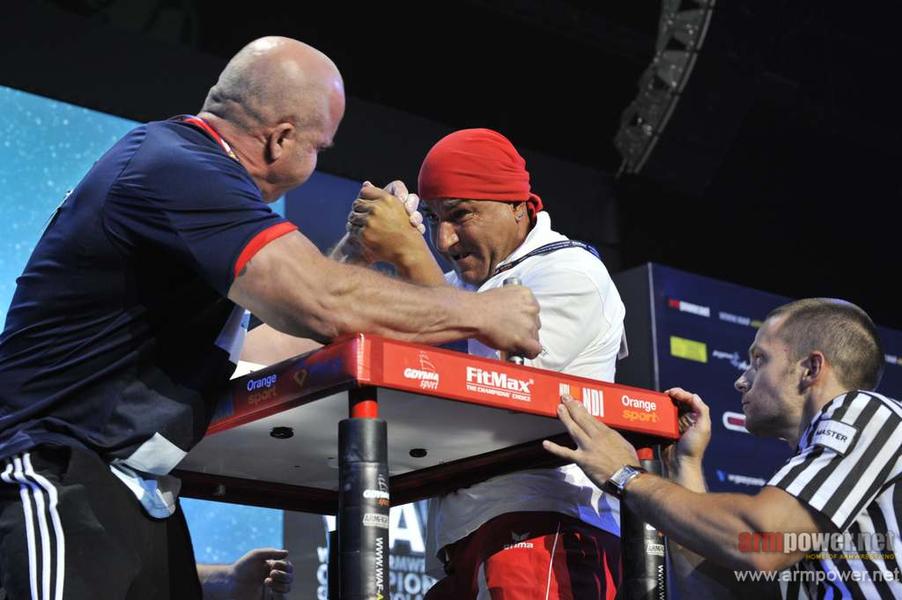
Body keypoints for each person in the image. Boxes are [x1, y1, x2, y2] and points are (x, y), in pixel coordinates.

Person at [0, 37, 541, 599]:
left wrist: (354, 257)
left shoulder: (187, 176)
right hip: (58, 468)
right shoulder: (179, 167)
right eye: (320, 147)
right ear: (281, 139)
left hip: (125, 489)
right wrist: (481, 312)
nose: (318, 159)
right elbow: (320, 302)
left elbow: (265, 347)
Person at [341, 128, 627, 599]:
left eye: (460, 215)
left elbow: (489, 389)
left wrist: (410, 256)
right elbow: (342, 330)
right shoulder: (455, 286)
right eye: (432, 219)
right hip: (469, 538)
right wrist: (362, 252)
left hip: (546, 525)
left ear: (519, 205)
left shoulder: (569, 271)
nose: (444, 238)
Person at [545, 298, 901, 598]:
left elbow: (764, 540)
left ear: (810, 368)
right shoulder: (817, 487)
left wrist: (626, 476)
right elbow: (712, 587)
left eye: (759, 359)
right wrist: (686, 465)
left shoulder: (867, 411)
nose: (741, 379)